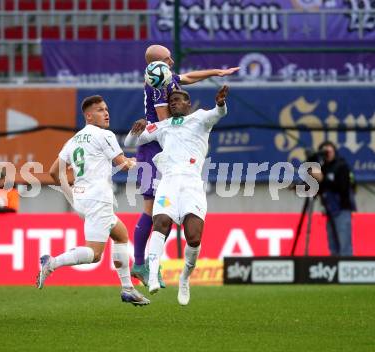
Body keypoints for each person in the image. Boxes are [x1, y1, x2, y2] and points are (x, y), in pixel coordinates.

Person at [131, 44, 239, 287]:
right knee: (152, 208)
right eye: (168, 58)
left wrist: (216, 72)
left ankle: (149, 264)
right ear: (155, 64)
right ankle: (140, 264)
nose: (172, 61)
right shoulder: (157, 85)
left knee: (163, 211)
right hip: (155, 147)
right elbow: (165, 123)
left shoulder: (165, 76)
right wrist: (190, 124)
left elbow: (188, 77)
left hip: (166, 147)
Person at [36, 95, 150, 306]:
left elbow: (54, 172)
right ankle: (51, 263)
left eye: (106, 109)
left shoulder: (73, 140)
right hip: (98, 198)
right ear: (88, 116)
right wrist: (136, 162)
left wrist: (72, 197)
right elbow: (123, 164)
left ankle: (127, 288)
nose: (106, 113)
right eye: (99, 110)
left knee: (121, 234)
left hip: (82, 200)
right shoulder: (104, 135)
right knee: (95, 255)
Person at [125, 86, 229, 305]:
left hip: (192, 185)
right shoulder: (162, 127)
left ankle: (184, 278)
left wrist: (220, 103)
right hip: (169, 183)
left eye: (178, 99)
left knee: (194, 237)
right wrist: (135, 131)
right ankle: (152, 274)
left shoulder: (200, 119)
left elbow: (218, 114)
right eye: (171, 100)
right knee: (160, 222)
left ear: (188, 103)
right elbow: (130, 144)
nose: (173, 103)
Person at [310, 141, 356, 256]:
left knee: (344, 246)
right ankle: (335, 269)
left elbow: (342, 187)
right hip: (329, 210)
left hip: (342, 209)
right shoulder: (324, 168)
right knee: (333, 246)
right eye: (324, 152)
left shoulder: (342, 166)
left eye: (329, 151)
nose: (327, 153)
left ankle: (347, 269)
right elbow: (321, 189)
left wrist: (322, 178)